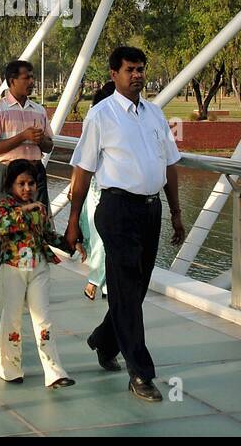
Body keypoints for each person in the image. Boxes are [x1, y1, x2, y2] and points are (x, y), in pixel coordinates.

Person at [65, 45, 185, 403]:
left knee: (135, 288)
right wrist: (74, 223)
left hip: (150, 211)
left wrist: (177, 212)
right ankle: (140, 373)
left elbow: (170, 164)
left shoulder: (154, 114)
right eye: (130, 69)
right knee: (125, 290)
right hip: (117, 210)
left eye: (141, 69)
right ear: (114, 74)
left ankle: (104, 339)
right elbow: (82, 172)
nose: (137, 75)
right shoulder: (101, 116)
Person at [0, 158, 81, 388]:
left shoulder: (39, 208)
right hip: (13, 268)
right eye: (21, 183)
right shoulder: (4, 207)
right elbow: (2, 225)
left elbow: (47, 235)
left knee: (44, 320)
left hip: (38, 266)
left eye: (31, 183)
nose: (27, 188)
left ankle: (54, 372)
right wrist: (26, 209)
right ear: (11, 184)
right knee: (12, 320)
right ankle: (10, 370)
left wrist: (71, 244)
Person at [0, 60, 53, 295]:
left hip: (34, 171)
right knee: (1, 225)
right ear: (12, 80)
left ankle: (28, 277)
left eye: (32, 77)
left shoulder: (39, 110)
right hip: (9, 174)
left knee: (36, 224)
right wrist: (23, 136)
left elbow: (49, 146)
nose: (31, 82)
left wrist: (40, 140)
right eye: (26, 77)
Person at [77, 80, 115, 301]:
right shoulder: (97, 118)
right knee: (100, 237)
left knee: (103, 238)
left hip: (101, 187)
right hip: (98, 188)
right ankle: (95, 281)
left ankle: (106, 283)